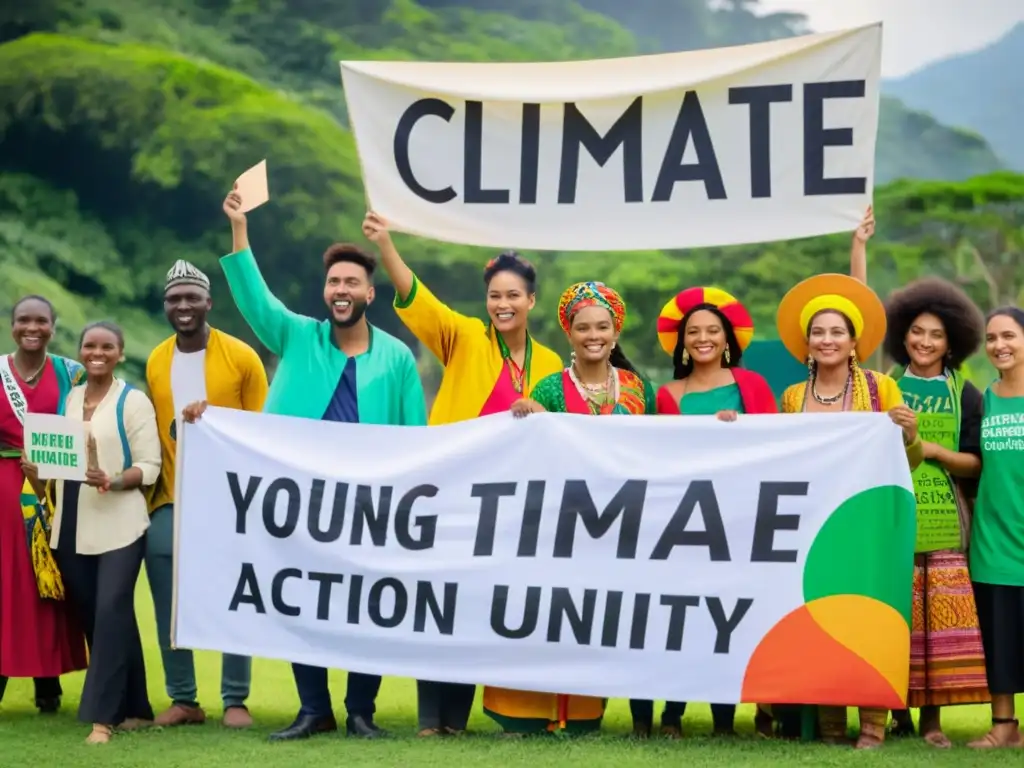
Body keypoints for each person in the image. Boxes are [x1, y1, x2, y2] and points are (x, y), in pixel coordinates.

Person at [221, 189, 427, 742]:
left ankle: (362, 709)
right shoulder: (297, 337)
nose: (341, 290)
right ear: (325, 291)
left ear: (369, 292)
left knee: (370, 606)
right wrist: (240, 229)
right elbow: (255, 300)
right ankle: (314, 709)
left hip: (371, 503)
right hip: (302, 499)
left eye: (351, 282)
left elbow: (415, 436)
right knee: (302, 599)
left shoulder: (397, 358)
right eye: (334, 282)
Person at [362, 211, 562, 736]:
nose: (503, 304)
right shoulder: (465, 337)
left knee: (476, 610)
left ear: (531, 301)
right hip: (450, 496)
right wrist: (385, 243)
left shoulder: (548, 365)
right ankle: (432, 719)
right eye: (495, 295)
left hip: (510, 507)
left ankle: (459, 718)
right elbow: (416, 297)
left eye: (513, 295)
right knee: (438, 607)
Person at [774, 272, 923, 749]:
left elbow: (909, 461)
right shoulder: (793, 398)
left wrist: (911, 434)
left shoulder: (882, 389)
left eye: (837, 331)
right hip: (813, 527)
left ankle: (874, 726)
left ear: (854, 341)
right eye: (818, 332)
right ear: (807, 342)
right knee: (822, 620)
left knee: (869, 620)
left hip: (868, 524)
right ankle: (832, 725)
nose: (827, 340)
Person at [499, 281, 652, 734]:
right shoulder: (548, 388)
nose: (593, 335)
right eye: (583, 327)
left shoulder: (634, 388)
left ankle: (587, 710)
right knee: (557, 613)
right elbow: (527, 449)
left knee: (601, 617)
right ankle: (538, 712)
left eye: (602, 327)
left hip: (620, 522)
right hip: (562, 523)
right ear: (569, 333)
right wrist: (524, 411)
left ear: (615, 331)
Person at [630, 286, 776, 739]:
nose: (703, 338)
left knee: (725, 619)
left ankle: (724, 720)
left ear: (728, 338)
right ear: (681, 342)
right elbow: (659, 458)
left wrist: (744, 431)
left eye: (713, 330)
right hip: (681, 523)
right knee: (675, 617)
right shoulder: (666, 396)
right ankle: (669, 715)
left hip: (738, 520)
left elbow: (780, 443)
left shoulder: (751, 387)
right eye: (693, 331)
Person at [144, 260, 269, 728]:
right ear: (166, 305)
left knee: (234, 596)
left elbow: (263, 429)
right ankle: (184, 699)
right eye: (174, 298)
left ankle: (235, 698)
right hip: (171, 498)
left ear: (208, 303)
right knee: (168, 602)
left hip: (231, 502)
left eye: (191, 297)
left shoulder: (241, 358)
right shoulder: (156, 360)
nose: (182, 306)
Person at [28, 321, 160, 743]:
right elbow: (58, 466)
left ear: (120, 354)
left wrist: (114, 479)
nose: (97, 353)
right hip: (71, 527)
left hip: (121, 525)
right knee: (100, 619)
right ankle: (136, 709)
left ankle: (103, 720)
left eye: (107, 347)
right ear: (81, 352)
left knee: (110, 612)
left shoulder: (133, 402)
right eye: (90, 346)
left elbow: (150, 466)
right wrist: (38, 473)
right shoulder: (69, 400)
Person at [881, 278, 990, 747]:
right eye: (917, 331)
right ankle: (895, 714)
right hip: (891, 517)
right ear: (902, 333)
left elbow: (978, 462)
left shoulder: (966, 393)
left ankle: (931, 723)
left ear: (953, 342)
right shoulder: (883, 387)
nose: (924, 342)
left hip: (945, 519)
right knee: (895, 617)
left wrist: (938, 452)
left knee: (936, 627)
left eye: (937, 335)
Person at [0, 296, 87, 713]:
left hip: (57, 490)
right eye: (23, 320)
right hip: (5, 491)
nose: (31, 328)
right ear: (12, 324)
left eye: (41, 321)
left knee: (50, 582)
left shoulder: (72, 373)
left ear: (53, 326)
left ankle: (47, 682)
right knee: (9, 583)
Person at [966, 307, 1024, 749]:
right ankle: (1004, 725)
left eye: (1009, 336)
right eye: (991, 338)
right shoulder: (985, 398)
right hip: (994, 537)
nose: (999, 345)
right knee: (998, 636)